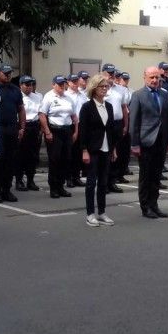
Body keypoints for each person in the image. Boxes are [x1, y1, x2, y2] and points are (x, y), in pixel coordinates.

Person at [129, 66, 168, 219]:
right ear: (145, 78)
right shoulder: (138, 95)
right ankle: (145, 207)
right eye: (152, 77)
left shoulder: (164, 95)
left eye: (157, 77)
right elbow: (134, 122)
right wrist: (134, 144)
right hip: (146, 142)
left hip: (161, 141)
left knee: (156, 175)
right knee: (146, 176)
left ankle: (154, 205)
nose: (155, 80)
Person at [78, 74, 118, 227]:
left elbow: (111, 129)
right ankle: (90, 213)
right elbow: (83, 130)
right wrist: (84, 150)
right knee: (91, 182)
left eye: (106, 86)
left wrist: (113, 149)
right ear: (94, 88)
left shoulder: (108, 106)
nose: (104, 89)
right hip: (93, 148)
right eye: (102, 86)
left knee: (103, 182)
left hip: (106, 148)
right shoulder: (87, 107)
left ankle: (102, 212)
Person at [0, 63, 26, 203]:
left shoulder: (15, 90)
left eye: (9, 73)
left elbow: (21, 109)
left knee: (10, 161)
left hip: (11, 129)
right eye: (5, 73)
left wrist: (22, 127)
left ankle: (7, 190)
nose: (8, 75)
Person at [39, 75, 78, 199]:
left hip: (67, 131)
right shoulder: (49, 97)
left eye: (63, 84)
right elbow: (42, 115)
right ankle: (53, 187)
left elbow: (74, 117)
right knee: (55, 160)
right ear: (53, 84)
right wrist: (47, 132)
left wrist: (76, 131)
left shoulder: (68, 98)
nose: (62, 86)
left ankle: (61, 186)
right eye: (59, 84)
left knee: (66, 159)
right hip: (54, 131)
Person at [102, 64, 127, 193]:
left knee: (117, 154)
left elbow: (124, 108)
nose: (111, 75)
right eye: (108, 72)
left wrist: (125, 125)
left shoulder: (120, 89)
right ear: (103, 73)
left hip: (117, 123)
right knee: (106, 153)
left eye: (113, 73)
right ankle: (104, 183)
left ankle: (113, 181)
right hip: (105, 124)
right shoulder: (101, 88)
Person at [16, 75, 42, 191]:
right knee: (20, 155)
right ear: (20, 85)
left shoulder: (37, 97)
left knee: (33, 155)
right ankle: (19, 180)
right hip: (22, 126)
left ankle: (30, 180)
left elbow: (40, 113)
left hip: (34, 126)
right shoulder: (18, 96)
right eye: (27, 85)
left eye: (31, 84)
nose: (29, 87)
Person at [65, 73, 88, 189]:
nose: (75, 84)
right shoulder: (65, 95)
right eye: (73, 82)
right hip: (71, 126)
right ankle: (68, 178)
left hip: (82, 125)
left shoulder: (83, 96)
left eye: (76, 81)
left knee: (79, 153)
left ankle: (76, 176)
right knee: (69, 153)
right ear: (68, 82)